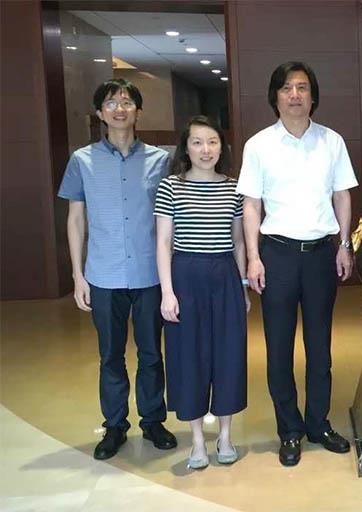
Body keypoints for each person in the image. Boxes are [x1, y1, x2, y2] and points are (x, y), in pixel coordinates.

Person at [237, 61, 358, 466]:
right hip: (277, 255)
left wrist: (344, 245)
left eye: (302, 87)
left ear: (312, 96)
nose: (295, 95)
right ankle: (289, 430)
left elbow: (342, 195)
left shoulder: (331, 141)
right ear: (275, 96)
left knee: (320, 346)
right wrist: (253, 257)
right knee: (278, 348)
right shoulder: (259, 145)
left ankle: (318, 423)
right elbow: (251, 205)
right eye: (287, 88)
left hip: (321, 254)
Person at [58, 78, 177, 460]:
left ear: (138, 111)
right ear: (99, 113)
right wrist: (78, 275)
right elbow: (76, 220)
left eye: (126, 102)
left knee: (151, 354)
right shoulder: (82, 160)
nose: (119, 109)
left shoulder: (161, 160)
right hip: (104, 275)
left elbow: (171, 220)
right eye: (111, 103)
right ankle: (114, 426)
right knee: (110, 355)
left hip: (149, 275)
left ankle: (153, 421)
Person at [154, 115, 250, 469]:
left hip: (225, 276)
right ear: (186, 148)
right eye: (197, 142)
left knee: (228, 354)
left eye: (212, 141)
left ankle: (225, 436)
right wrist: (167, 292)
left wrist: (243, 287)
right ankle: (197, 441)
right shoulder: (171, 187)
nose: (205, 149)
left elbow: (238, 242)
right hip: (185, 276)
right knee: (188, 356)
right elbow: (163, 243)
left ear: (221, 147)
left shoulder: (234, 188)